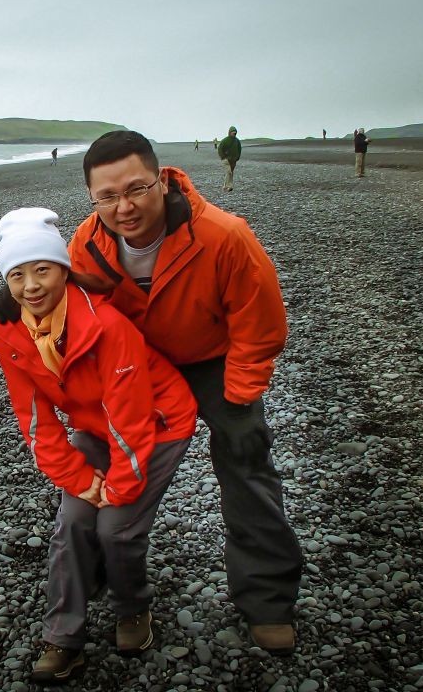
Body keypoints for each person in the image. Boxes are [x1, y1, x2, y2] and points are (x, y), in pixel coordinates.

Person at [65, 130, 301, 655]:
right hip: (137, 364)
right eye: (106, 196)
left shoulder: (224, 235)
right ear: (91, 197)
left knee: (245, 460)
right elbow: (79, 316)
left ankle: (267, 600)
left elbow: (259, 324)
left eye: (136, 189)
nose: (123, 207)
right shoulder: (86, 242)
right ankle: (108, 575)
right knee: (98, 453)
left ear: (160, 179)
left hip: (213, 360)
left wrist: (238, 393)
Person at [0, 208, 197, 683]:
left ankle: (131, 608)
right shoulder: (14, 334)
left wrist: (115, 488)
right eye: (17, 275)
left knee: (116, 527)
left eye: (42, 269)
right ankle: (64, 638)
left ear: (63, 268)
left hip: (158, 423)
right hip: (98, 426)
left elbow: (131, 417)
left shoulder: (106, 324)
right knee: (74, 520)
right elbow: (37, 422)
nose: (31, 285)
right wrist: (81, 481)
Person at [217, 126, 241, 191]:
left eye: (235, 133)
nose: (234, 134)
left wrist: (238, 157)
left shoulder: (237, 141)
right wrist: (223, 157)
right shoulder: (225, 140)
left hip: (233, 160)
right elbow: (220, 148)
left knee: (230, 173)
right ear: (230, 132)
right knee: (229, 172)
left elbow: (239, 149)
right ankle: (229, 186)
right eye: (233, 133)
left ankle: (225, 186)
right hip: (226, 160)